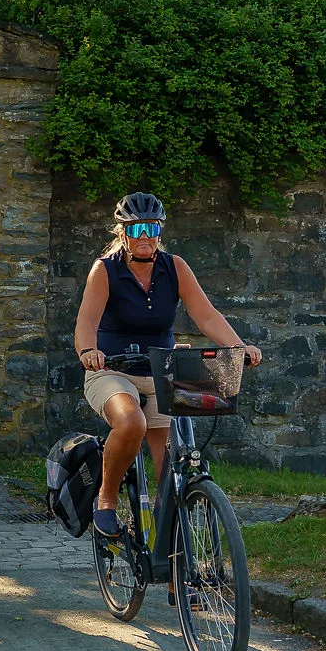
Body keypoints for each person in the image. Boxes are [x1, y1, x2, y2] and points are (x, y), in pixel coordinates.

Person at [72, 192, 262, 537]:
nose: (146, 236)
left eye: (152, 228)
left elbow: (205, 315)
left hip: (161, 372)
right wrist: (89, 351)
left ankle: (175, 567)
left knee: (171, 472)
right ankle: (107, 499)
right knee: (132, 422)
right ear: (123, 232)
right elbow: (86, 321)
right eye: (137, 228)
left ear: (160, 231)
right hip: (112, 371)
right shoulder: (106, 270)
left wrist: (238, 346)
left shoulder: (174, 267)